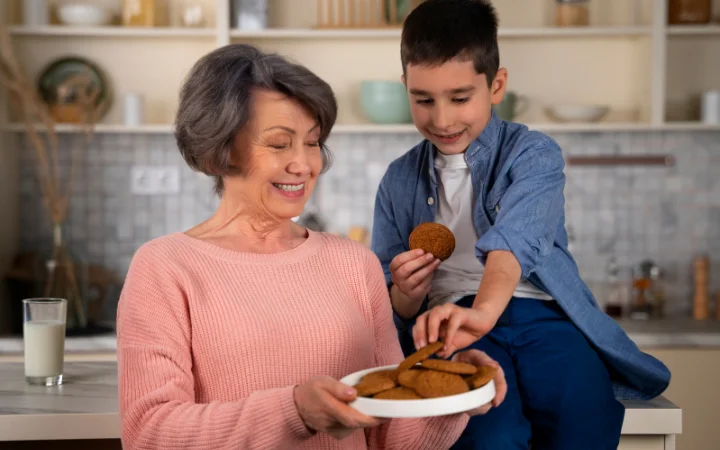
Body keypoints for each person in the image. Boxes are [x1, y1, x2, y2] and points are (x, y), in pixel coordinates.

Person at [116, 43, 507, 450]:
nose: (304, 164)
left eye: (312, 141)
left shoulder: (355, 264)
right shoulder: (165, 268)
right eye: (280, 143)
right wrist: (294, 412)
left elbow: (392, 436)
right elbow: (149, 432)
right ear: (221, 150)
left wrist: (455, 393)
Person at [370, 1, 671, 449]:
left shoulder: (532, 154)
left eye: (459, 98)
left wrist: (484, 312)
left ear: (496, 85)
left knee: (583, 417)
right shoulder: (398, 179)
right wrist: (406, 294)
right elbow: (388, 298)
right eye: (423, 100)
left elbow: (516, 242)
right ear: (405, 89)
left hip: (542, 314)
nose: (442, 118)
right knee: (492, 433)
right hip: (451, 321)